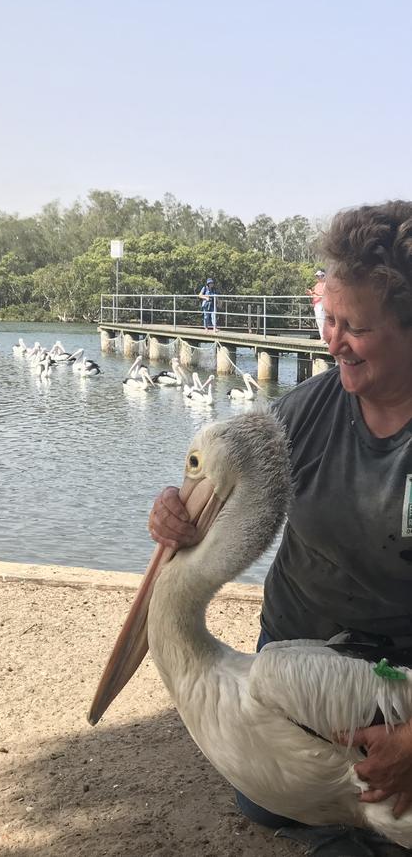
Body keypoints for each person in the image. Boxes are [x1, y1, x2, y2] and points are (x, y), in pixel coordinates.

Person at [149, 200, 412, 856]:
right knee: (260, 790)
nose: (332, 341)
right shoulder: (307, 413)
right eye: (330, 319)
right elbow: (240, 472)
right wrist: (178, 516)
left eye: (355, 326)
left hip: (388, 673)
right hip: (291, 662)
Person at [306, 269, 327, 339]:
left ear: (323, 276)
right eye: (317, 276)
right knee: (318, 321)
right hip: (316, 304)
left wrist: (313, 293)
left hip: (322, 304)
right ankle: (322, 338)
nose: (318, 277)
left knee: (322, 321)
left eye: (319, 276)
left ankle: (325, 338)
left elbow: (323, 294)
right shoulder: (317, 285)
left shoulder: (325, 284)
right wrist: (310, 293)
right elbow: (314, 295)